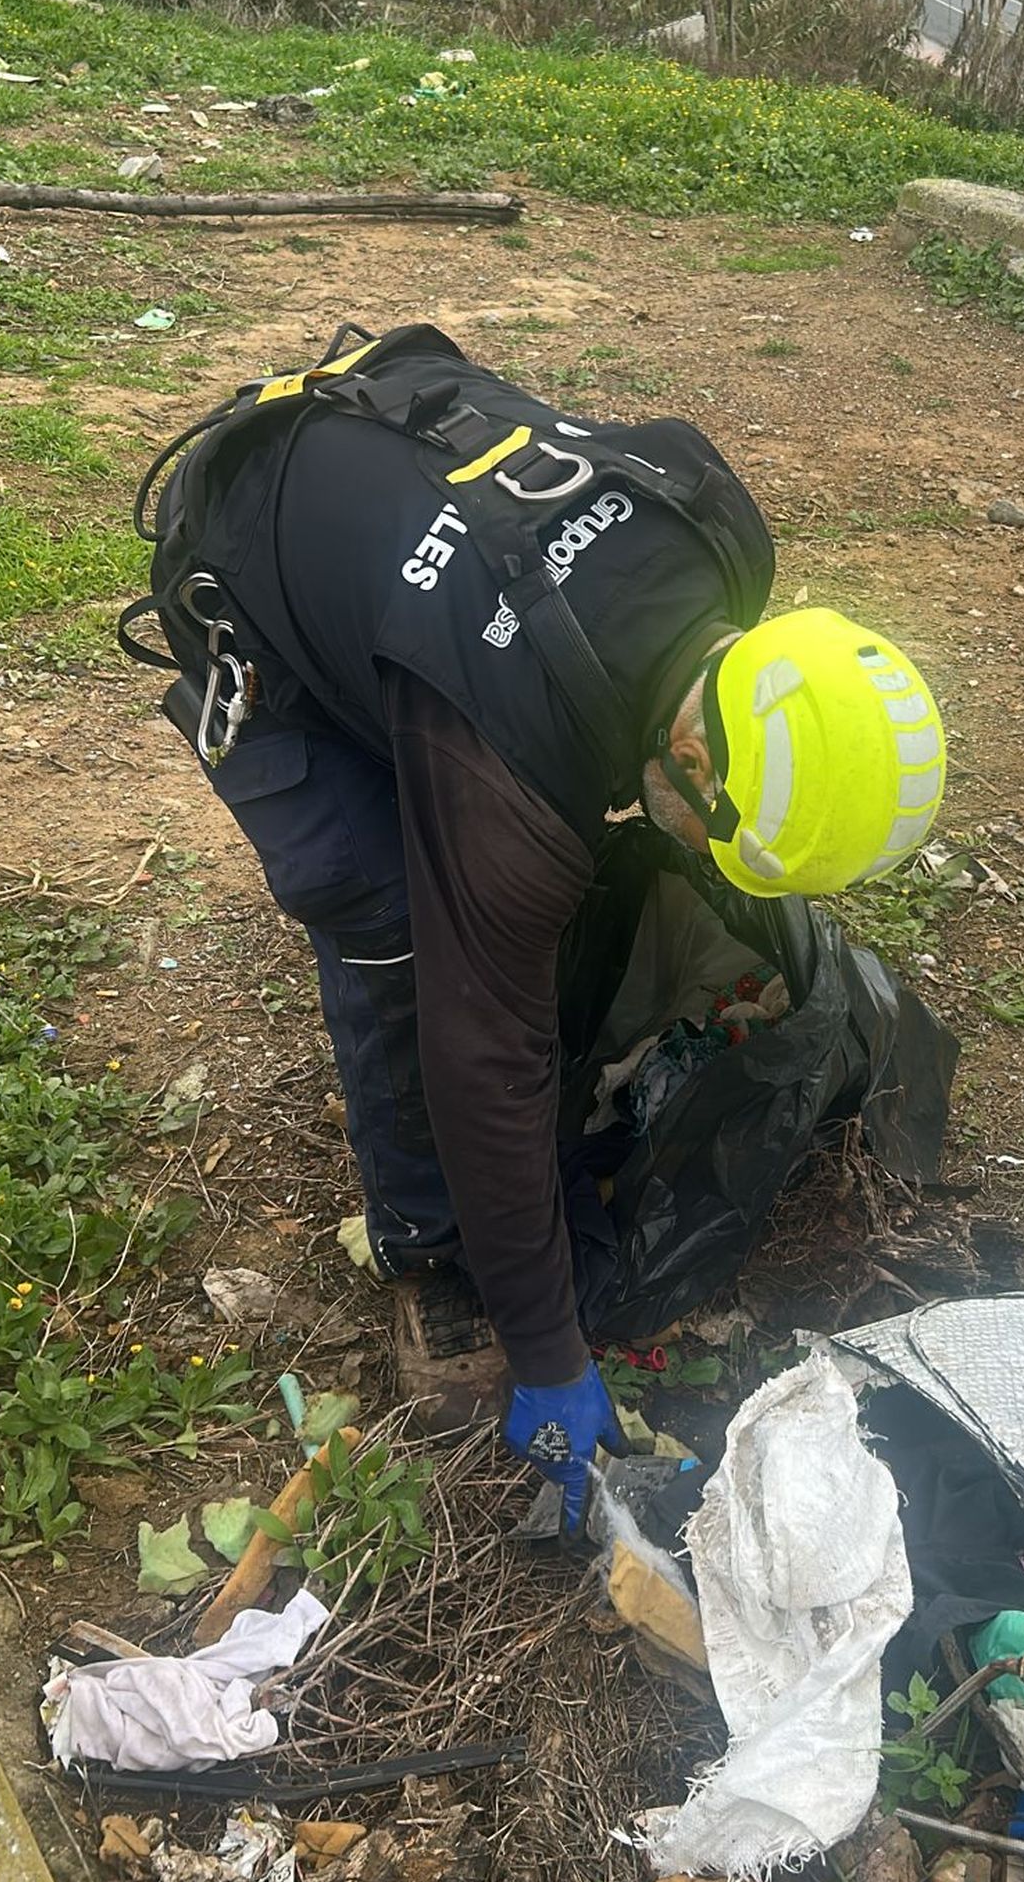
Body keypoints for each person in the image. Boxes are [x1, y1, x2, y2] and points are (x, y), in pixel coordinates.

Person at [121, 322, 946, 1528]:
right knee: (393, 925)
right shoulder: (513, 777)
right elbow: (482, 1060)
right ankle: (422, 1244)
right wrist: (550, 1352)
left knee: (486, 869)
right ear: (688, 747)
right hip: (257, 538)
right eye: (713, 830)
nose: (700, 854)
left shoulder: (720, 532)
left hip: (402, 505)